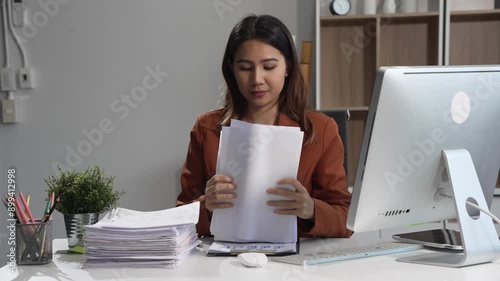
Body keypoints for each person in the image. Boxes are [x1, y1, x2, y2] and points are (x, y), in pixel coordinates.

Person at [176, 14, 352, 238]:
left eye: (269, 66)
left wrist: (311, 210)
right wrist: (206, 206)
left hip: (295, 264)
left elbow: (347, 219)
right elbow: (179, 216)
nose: (257, 79)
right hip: (224, 263)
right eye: (245, 68)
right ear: (231, 69)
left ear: (288, 66)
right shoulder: (206, 128)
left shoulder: (321, 129)